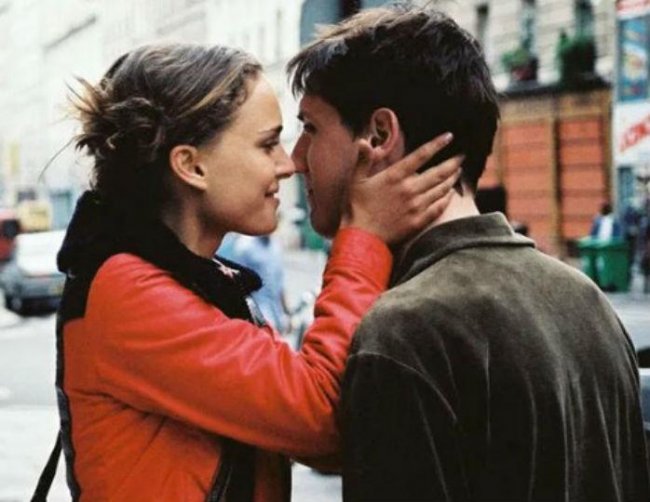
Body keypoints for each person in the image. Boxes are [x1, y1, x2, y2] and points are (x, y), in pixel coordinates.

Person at [36, 43, 462, 501]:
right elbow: (321, 416)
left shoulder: (189, 279)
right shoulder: (128, 293)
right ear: (192, 165)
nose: (287, 164)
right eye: (267, 144)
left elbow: (319, 443)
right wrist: (364, 236)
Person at [287, 5, 650, 501]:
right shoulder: (587, 300)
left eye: (310, 128)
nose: (295, 160)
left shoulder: (404, 331)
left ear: (379, 135)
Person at [223, 233, 290, 333]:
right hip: (259, 315)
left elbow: (280, 284)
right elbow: (237, 284)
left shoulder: (276, 247)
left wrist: (286, 312)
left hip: (276, 313)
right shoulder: (245, 248)